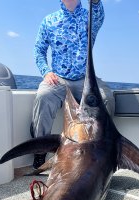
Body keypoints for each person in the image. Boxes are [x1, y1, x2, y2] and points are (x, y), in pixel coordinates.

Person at [31, 0, 115, 169]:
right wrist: (46, 71)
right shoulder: (49, 20)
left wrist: (96, 2)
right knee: (43, 96)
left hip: (86, 79)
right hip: (59, 79)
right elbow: (39, 50)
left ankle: (100, 148)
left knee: (107, 98)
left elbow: (99, 15)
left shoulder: (89, 17)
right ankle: (40, 151)